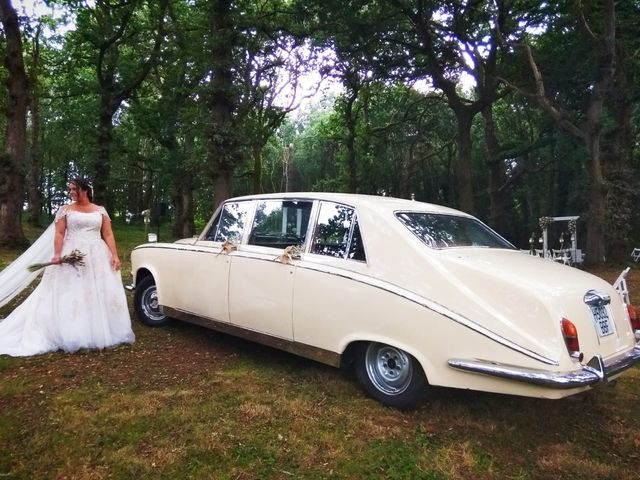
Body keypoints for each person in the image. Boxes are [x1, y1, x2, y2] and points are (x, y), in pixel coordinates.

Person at [0, 177, 135, 356]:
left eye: (74, 189)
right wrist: (57, 254)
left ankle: (98, 329)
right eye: (70, 189)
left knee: (94, 291)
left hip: (97, 255)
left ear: (85, 190)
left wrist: (115, 255)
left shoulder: (100, 211)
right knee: (73, 292)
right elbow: (59, 233)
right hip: (72, 253)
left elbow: (108, 234)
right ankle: (71, 331)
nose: (71, 192)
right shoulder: (65, 210)